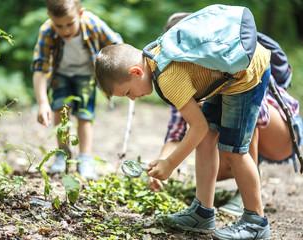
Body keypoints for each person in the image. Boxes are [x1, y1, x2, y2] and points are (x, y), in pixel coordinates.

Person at [94, 16, 272, 239]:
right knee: (207, 142)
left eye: (128, 92)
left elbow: (199, 127)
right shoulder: (155, 55)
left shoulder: (168, 78)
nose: (132, 99)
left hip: (246, 74)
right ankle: (203, 212)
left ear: (136, 72)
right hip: (225, 78)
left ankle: (256, 221)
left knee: (233, 150)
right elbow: (202, 132)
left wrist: (170, 163)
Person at [148, 12, 303, 217]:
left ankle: (246, 199)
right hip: (243, 137)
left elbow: (258, 114)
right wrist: (161, 165)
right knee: (211, 162)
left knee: (240, 118)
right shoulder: (177, 78)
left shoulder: (225, 58)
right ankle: (204, 209)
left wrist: (207, 107)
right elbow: (176, 133)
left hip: (279, 133)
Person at [31, 0, 123, 178]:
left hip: (87, 74)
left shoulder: (93, 24)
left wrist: (114, 75)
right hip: (60, 74)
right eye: (59, 25)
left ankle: (85, 159)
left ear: (80, 14)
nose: (65, 30)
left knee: (85, 114)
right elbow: (40, 69)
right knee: (60, 109)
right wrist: (42, 103)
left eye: (70, 24)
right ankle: (62, 154)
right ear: (49, 17)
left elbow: (117, 45)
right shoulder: (47, 31)